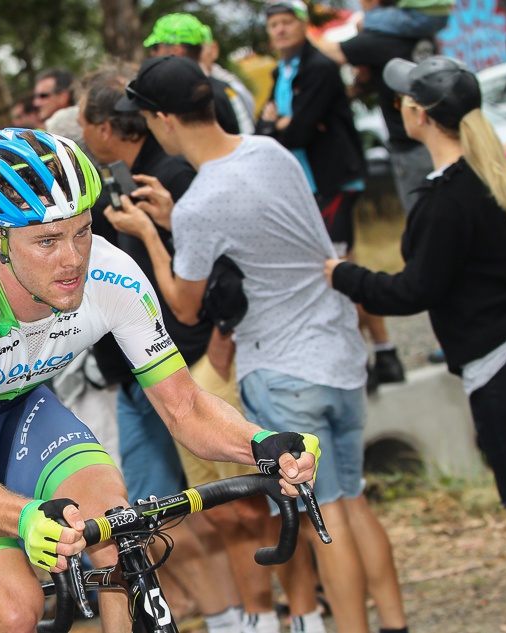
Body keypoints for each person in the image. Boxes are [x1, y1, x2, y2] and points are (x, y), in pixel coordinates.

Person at [0, 127, 320, 633]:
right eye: (48, 240)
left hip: (16, 403)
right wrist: (25, 518)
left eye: (81, 230)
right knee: (15, 611)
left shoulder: (111, 273)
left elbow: (184, 406)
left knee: (123, 540)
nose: (73, 258)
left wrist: (260, 443)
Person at [113, 55, 408, 633]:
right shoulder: (267, 151)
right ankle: (395, 623)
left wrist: (150, 234)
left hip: (283, 367)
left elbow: (184, 305)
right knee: (352, 502)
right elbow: (261, 231)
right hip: (339, 356)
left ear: (165, 120)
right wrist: (179, 223)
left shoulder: (201, 202)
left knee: (326, 522)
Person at [326, 55, 506, 548]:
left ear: (420, 115)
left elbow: (415, 290)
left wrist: (344, 274)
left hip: (501, 371)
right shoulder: (502, 176)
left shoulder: (444, 201)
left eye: (403, 99)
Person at [259, 0, 405, 388]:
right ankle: (384, 355)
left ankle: (367, 362)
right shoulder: (280, 71)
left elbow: (296, 132)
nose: (280, 31)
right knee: (343, 264)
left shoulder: (320, 68)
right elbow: (264, 127)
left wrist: (281, 124)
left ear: (302, 25)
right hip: (306, 187)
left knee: (336, 270)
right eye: (274, 25)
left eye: (287, 22)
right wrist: (279, 124)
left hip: (333, 181)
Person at [313, 0, 435, 216]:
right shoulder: (417, 31)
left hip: (411, 145)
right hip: (440, 134)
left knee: (422, 219)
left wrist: (304, 28)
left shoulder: (379, 40)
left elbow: (329, 52)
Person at [143, 13, 255, 133]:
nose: (152, 54)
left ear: (176, 51)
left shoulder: (218, 92)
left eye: (155, 47)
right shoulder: (224, 89)